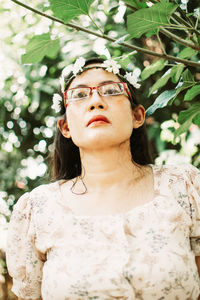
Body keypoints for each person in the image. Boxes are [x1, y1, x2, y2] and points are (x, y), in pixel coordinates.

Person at [6, 57, 200, 300]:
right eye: (79, 95)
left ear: (137, 116)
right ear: (65, 127)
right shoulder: (38, 210)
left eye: (110, 91)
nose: (96, 102)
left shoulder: (184, 187)